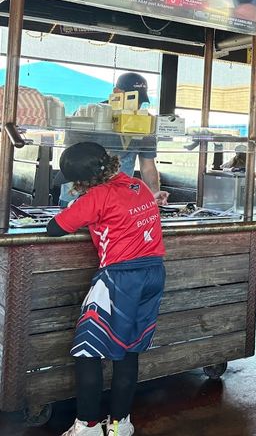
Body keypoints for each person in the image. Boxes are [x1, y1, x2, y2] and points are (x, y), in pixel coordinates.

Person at [46, 143, 165, 436]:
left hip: (119, 279)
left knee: (88, 352)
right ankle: (119, 425)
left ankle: (86, 426)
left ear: (82, 180)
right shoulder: (137, 186)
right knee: (127, 353)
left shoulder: (96, 197)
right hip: (154, 273)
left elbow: (55, 228)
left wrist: (80, 204)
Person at [61, 72, 168, 206]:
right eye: (132, 98)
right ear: (116, 92)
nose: (136, 105)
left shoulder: (145, 124)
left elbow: (148, 167)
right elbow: (70, 159)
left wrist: (155, 197)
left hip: (117, 199)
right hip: (78, 196)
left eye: (140, 101)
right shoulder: (88, 115)